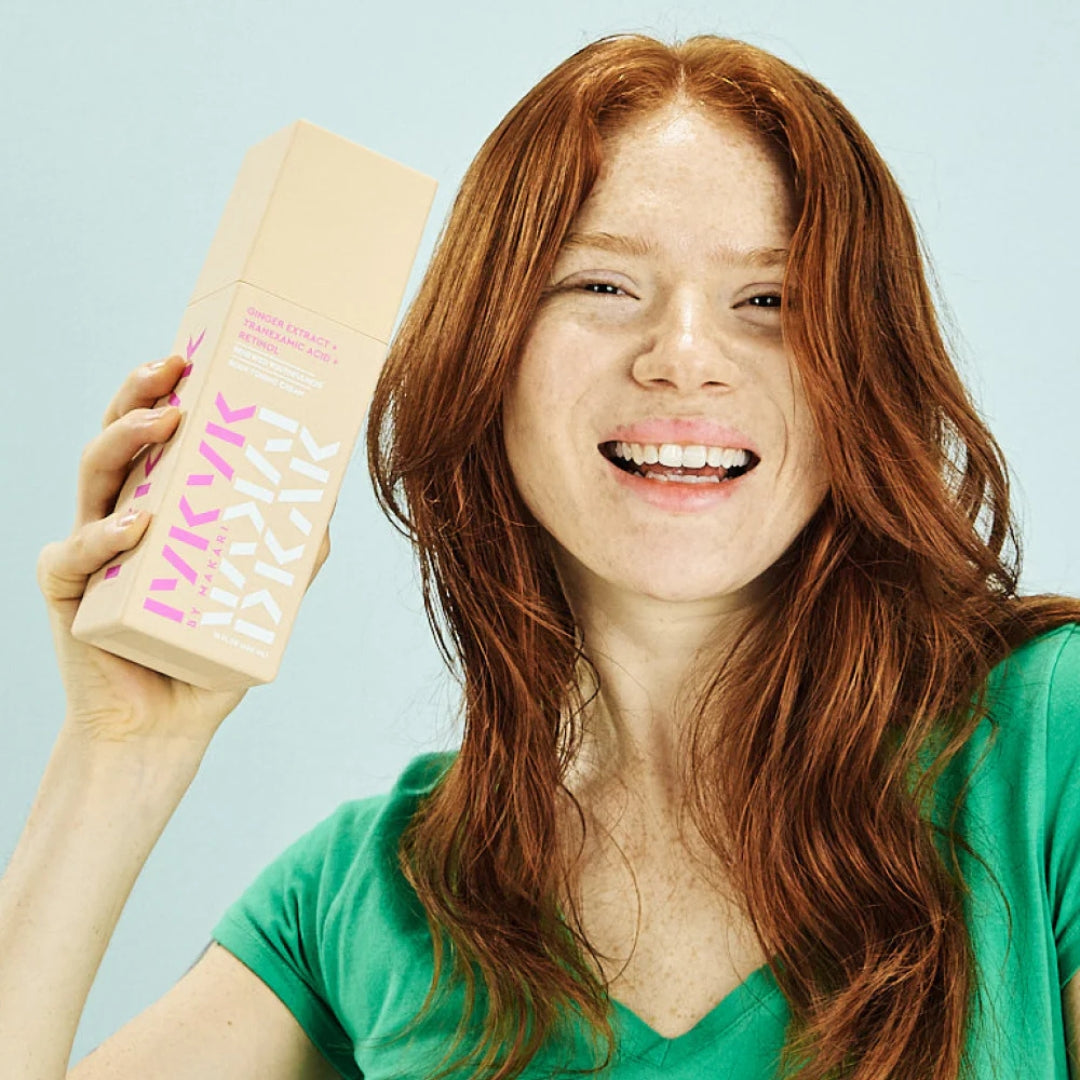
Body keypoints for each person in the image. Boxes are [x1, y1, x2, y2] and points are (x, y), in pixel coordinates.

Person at [6, 29, 1080, 1080]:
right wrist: (121, 752)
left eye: (770, 301)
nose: (684, 359)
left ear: (864, 375)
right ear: (488, 353)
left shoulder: (1047, 745)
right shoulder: (363, 900)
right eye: (603, 287)